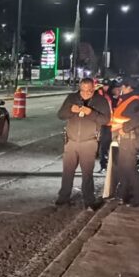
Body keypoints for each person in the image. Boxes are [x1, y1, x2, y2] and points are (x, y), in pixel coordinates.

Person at [56, 78, 111, 210]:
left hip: (89, 142)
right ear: (79, 88)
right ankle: (63, 199)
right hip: (71, 141)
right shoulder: (72, 98)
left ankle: (89, 201)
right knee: (67, 171)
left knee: (87, 173)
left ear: (94, 88)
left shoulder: (101, 100)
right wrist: (71, 110)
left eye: (89, 91)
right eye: (83, 90)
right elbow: (60, 115)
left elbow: (105, 119)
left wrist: (90, 113)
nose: (86, 93)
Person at [110, 77, 139, 207]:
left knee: (130, 169)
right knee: (123, 168)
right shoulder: (127, 100)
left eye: (122, 87)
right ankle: (123, 195)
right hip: (126, 138)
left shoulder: (134, 101)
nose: (120, 89)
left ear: (128, 87)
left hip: (130, 138)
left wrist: (124, 128)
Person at [97, 80, 119, 172]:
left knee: (112, 145)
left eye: (107, 86)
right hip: (105, 124)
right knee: (104, 145)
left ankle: (112, 165)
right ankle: (104, 165)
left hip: (112, 124)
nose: (106, 87)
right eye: (104, 85)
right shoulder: (100, 95)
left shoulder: (109, 96)